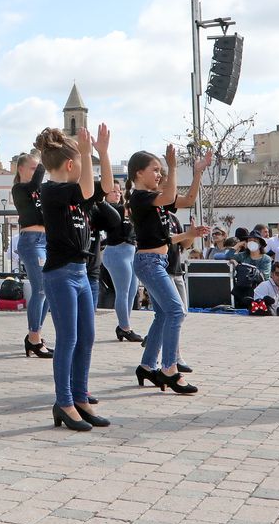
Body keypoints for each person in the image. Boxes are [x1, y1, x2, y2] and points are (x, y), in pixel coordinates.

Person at [37, 124, 114, 431]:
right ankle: (64, 402)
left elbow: (104, 188)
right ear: (70, 165)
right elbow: (86, 188)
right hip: (60, 275)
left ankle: (80, 398)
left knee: (87, 337)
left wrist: (102, 153)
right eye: (82, 164)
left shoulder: (76, 194)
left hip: (81, 273)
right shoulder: (52, 190)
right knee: (68, 339)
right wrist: (84, 151)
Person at [126, 145, 208, 394]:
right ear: (138, 174)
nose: (159, 175)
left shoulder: (156, 201)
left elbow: (188, 200)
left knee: (163, 315)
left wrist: (196, 173)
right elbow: (170, 195)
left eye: (161, 171)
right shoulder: (140, 198)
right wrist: (173, 167)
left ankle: (147, 366)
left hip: (158, 261)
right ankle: (170, 369)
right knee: (176, 311)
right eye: (155, 170)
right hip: (149, 263)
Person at [11, 151, 52, 358]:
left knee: (47, 291)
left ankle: (35, 335)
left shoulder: (40, 190)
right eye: (34, 168)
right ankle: (34, 337)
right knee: (40, 289)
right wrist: (45, 158)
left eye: (38, 167)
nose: (38, 172)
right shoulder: (20, 189)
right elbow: (35, 184)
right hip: (32, 240)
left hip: (45, 240)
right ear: (21, 169)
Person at [99, 163, 141, 343]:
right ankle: (125, 327)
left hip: (131, 251)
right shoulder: (108, 208)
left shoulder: (125, 208)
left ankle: (124, 324)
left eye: (119, 191)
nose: (117, 193)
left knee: (132, 291)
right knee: (122, 291)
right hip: (117, 252)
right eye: (113, 191)